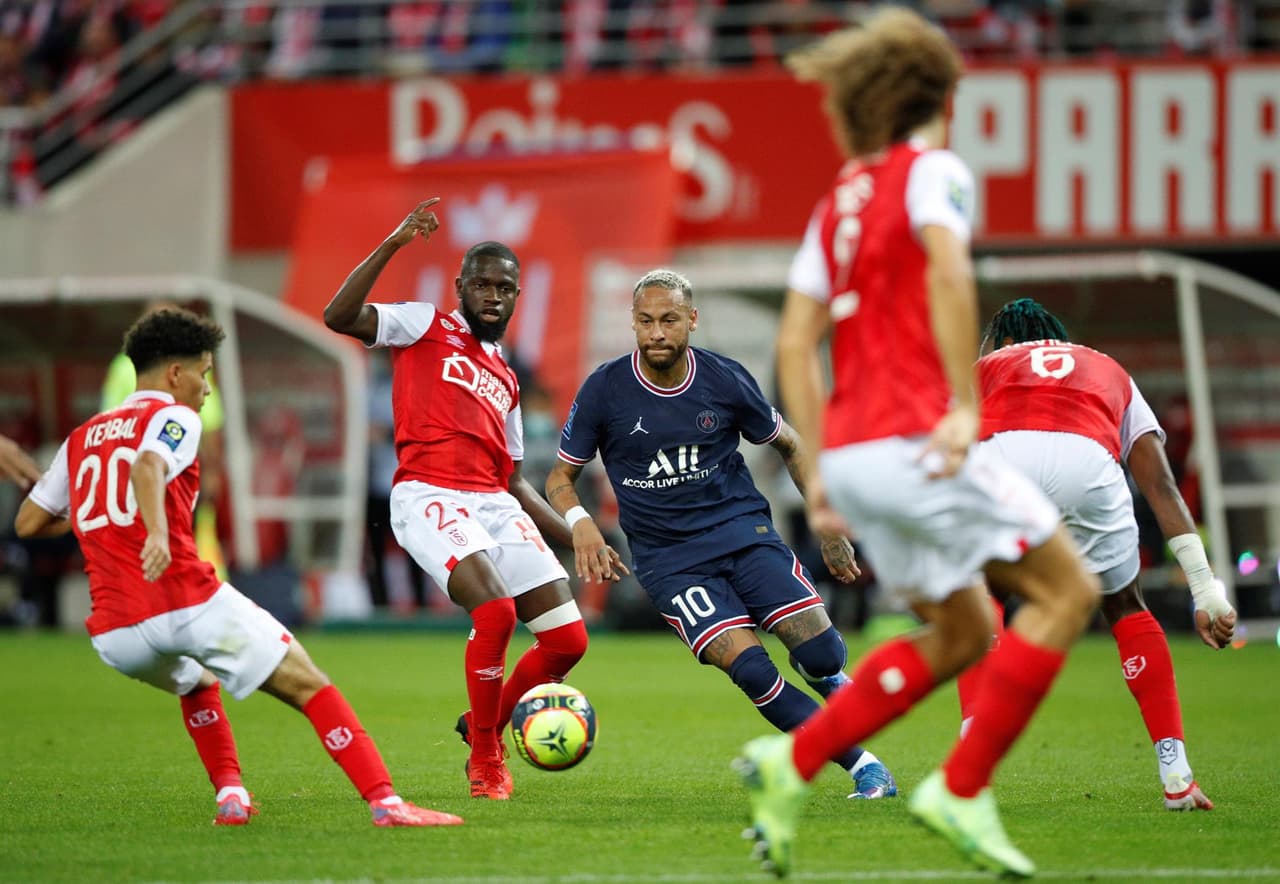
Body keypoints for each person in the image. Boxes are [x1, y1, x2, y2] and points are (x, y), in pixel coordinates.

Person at [739, 8, 1101, 878]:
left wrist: (822, 477)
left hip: (861, 463)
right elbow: (947, 269)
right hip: (915, 441)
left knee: (965, 628)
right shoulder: (932, 171)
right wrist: (965, 406)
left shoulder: (838, 204)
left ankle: (790, 763)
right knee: (1068, 592)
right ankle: (962, 788)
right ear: (939, 95)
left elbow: (795, 343)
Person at [14, 307, 461, 828]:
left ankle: (231, 794)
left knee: (197, 682)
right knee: (309, 682)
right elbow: (146, 465)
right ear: (175, 374)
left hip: (117, 635)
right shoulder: (173, 415)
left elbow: (28, 521)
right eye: (204, 374)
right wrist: (156, 531)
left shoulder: (82, 436)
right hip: (182, 598)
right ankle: (387, 803)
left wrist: (99, 520)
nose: (207, 389)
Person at [546, 268, 898, 801]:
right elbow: (559, 478)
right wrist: (583, 527)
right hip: (670, 561)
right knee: (752, 669)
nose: (656, 333)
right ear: (633, 324)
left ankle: (826, 676)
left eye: (668, 320)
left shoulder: (724, 379)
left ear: (692, 319)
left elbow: (792, 445)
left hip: (742, 533)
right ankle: (865, 766)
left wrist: (827, 524)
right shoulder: (605, 389)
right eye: (645, 321)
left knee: (823, 655)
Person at [322, 198, 621, 801]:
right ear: (461, 288)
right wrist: (394, 242)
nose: (492, 296)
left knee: (567, 640)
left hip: (492, 499)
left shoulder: (507, 377)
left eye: (504, 288)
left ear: (515, 297)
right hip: (428, 492)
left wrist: (578, 533)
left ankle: (482, 721)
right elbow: (339, 316)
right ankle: (487, 756)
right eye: (481, 285)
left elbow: (513, 480)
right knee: (496, 613)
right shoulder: (424, 323)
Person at [971, 297, 1237, 810]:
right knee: (1125, 606)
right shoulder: (1107, 368)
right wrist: (1206, 591)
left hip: (1004, 457)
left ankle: (970, 764)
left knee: (980, 590)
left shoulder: (991, 365)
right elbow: (1160, 485)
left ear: (1006, 341)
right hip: (1088, 463)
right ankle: (1177, 775)